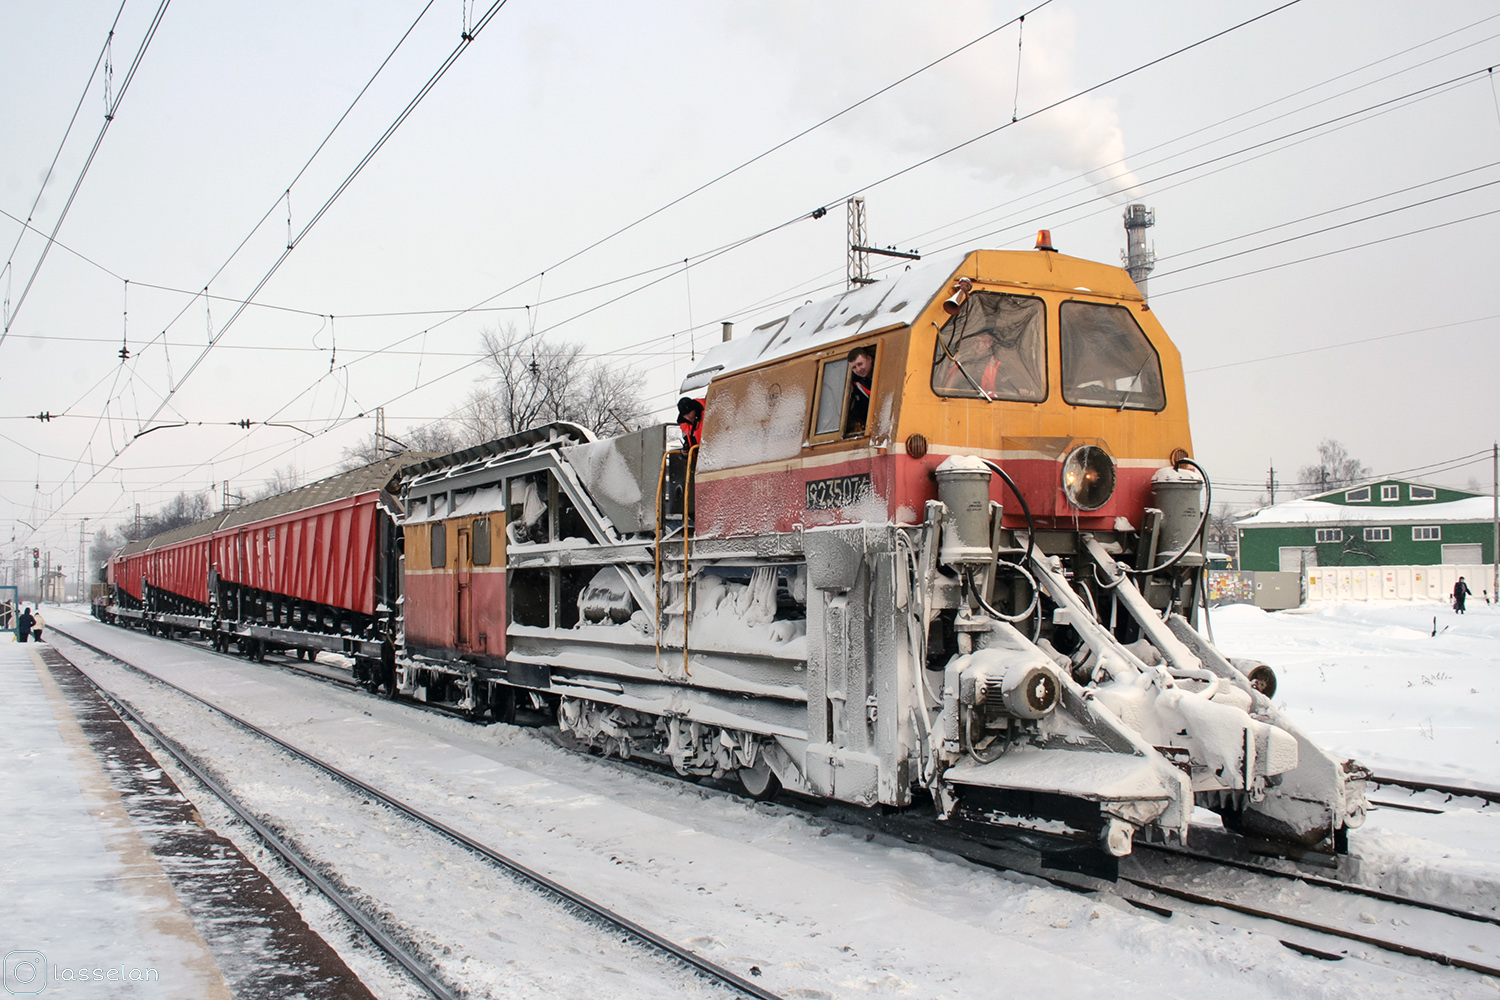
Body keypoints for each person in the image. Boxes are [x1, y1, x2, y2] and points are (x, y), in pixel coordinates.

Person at [845, 346, 874, 434]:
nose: (858, 369)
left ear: (869, 359)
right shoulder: (855, 383)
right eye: (854, 367)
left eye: (860, 364)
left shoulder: (884, 371)